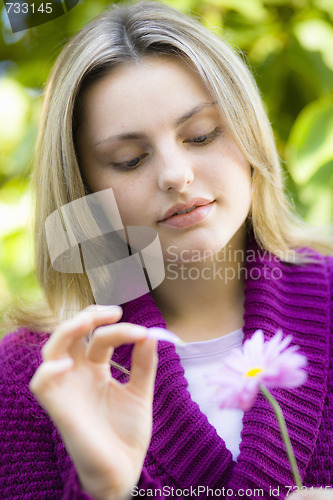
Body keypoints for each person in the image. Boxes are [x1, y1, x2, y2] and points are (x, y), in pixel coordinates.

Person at [0, 1, 332, 499]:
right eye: (129, 160)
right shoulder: (31, 378)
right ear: (84, 191)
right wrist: (102, 489)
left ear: (249, 134)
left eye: (201, 134)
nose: (176, 174)